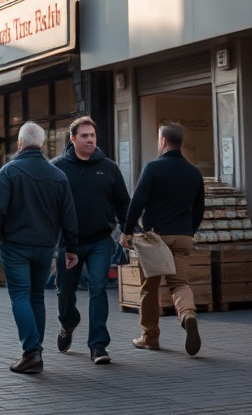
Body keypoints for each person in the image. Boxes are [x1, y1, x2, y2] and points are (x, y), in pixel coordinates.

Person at [0, 121, 79, 375]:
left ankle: (31, 352)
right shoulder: (58, 175)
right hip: (46, 246)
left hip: (16, 245)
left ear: (20, 143)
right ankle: (35, 350)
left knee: (19, 295)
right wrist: (71, 247)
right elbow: (69, 216)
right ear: (41, 143)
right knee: (36, 295)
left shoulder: (9, 172)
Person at [121, 121, 206, 356]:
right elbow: (199, 209)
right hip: (183, 236)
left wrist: (127, 230)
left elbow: (137, 202)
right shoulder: (194, 172)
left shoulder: (153, 168)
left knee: (150, 287)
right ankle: (187, 314)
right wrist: (189, 230)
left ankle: (150, 337)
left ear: (163, 141)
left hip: (156, 238)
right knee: (180, 284)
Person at [52, 116, 131, 365]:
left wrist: (129, 230)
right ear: (72, 139)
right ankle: (68, 323)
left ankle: (98, 345)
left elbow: (123, 203)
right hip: (67, 243)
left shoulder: (109, 168)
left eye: (92, 136)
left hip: (99, 241)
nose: (89, 140)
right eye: (84, 136)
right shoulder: (57, 168)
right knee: (65, 293)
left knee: (98, 289)